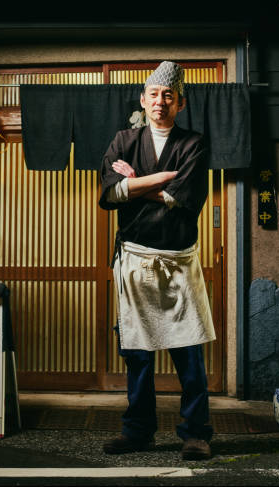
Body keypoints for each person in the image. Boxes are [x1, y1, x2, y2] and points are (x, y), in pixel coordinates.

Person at [99, 61, 216, 461]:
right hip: (134, 259)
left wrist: (136, 183)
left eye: (169, 95)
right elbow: (109, 194)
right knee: (137, 353)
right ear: (143, 99)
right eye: (154, 94)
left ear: (180, 103)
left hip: (178, 261)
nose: (160, 101)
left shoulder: (195, 143)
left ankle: (196, 433)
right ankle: (138, 431)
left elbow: (181, 200)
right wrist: (164, 179)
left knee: (188, 353)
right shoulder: (124, 139)